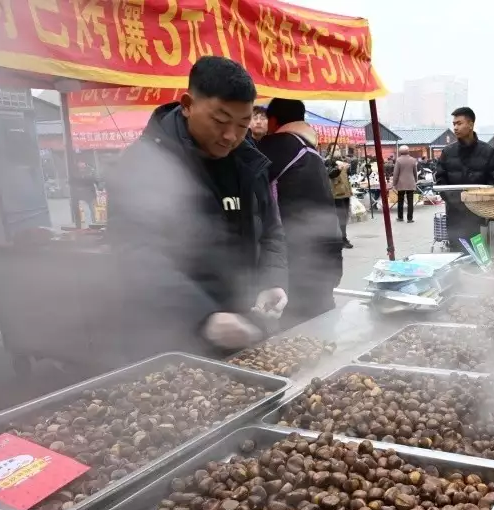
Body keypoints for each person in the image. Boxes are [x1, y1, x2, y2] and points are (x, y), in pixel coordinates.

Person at [107, 56, 287, 361]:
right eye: (219, 121)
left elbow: (271, 229)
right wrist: (202, 316)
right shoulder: (144, 164)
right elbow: (134, 253)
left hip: (244, 328)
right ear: (188, 104)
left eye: (243, 124)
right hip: (173, 340)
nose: (231, 136)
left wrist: (273, 279)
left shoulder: (248, 160)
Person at [258, 99, 344, 326]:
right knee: (323, 330)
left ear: (273, 120)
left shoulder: (270, 149)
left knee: (293, 337)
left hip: (291, 266)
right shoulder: (312, 153)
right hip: (325, 262)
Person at [435, 107, 494, 244]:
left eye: (459, 123)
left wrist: (477, 201)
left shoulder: (487, 151)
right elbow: (441, 181)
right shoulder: (448, 152)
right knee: (457, 256)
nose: (455, 128)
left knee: (482, 254)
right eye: (454, 124)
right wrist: (457, 201)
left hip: (480, 215)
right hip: (455, 215)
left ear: (470, 124)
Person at [328, 150, 355, 249]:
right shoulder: (328, 161)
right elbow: (330, 174)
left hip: (345, 193)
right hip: (337, 194)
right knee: (340, 217)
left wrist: (347, 168)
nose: (338, 150)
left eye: (339, 149)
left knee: (344, 217)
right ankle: (341, 239)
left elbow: (348, 175)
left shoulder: (343, 161)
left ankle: (342, 237)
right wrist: (338, 168)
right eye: (336, 149)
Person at [391, 145, 418, 222]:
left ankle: (400, 217)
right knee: (410, 202)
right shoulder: (413, 160)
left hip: (401, 183)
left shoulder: (398, 160)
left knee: (400, 201)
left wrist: (394, 183)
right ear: (408, 151)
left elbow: (396, 173)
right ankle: (410, 218)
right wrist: (415, 180)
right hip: (410, 182)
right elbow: (415, 172)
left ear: (400, 152)